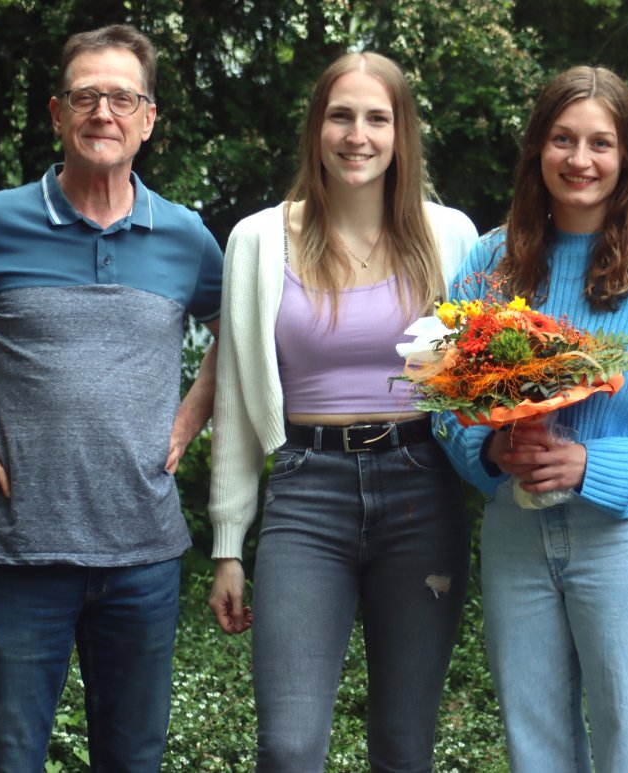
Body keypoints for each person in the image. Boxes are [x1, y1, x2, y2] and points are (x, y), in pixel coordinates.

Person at [0, 24, 222, 771]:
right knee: (9, 756)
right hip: (19, 554)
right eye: (85, 95)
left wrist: (191, 415)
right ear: (57, 114)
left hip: (144, 556)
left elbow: (243, 341)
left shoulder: (187, 238)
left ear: (148, 119)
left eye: (122, 97)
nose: (104, 112)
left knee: (133, 759)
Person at [436, 66, 628, 772]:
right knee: (535, 742)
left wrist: (593, 465)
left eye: (601, 143)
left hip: (616, 539)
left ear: (627, 160)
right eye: (563, 139)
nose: (580, 160)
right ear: (538, 148)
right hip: (513, 536)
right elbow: (446, 406)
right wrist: (492, 448)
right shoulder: (488, 265)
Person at [206, 51, 478, 773]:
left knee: (403, 743)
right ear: (316, 128)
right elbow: (236, 396)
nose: (357, 135)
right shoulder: (259, 240)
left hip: (422, 487)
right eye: (341, 115)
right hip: (306, 490)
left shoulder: (450, 236)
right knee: (289, 747)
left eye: (377, 118)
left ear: (401, 133)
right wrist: (228, 540)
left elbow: (479, 378)